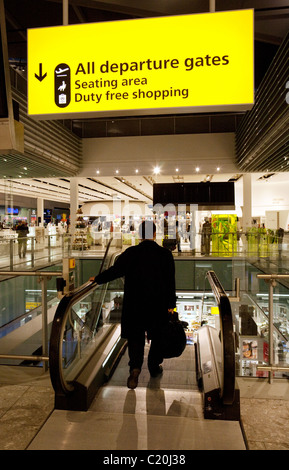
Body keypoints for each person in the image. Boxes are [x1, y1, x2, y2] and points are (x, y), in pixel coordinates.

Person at [90, 220, 176, 389]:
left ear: (139, 235)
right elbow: (170, 282)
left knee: (135, 338)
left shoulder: (131, 253)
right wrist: (171, 305)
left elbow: (115, 271)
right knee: (157, 336)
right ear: (153, 234)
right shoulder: (165, 255)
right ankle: (153, 367)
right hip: (157, 305)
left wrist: (98, 279)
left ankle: (135, 369)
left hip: (135, 304)